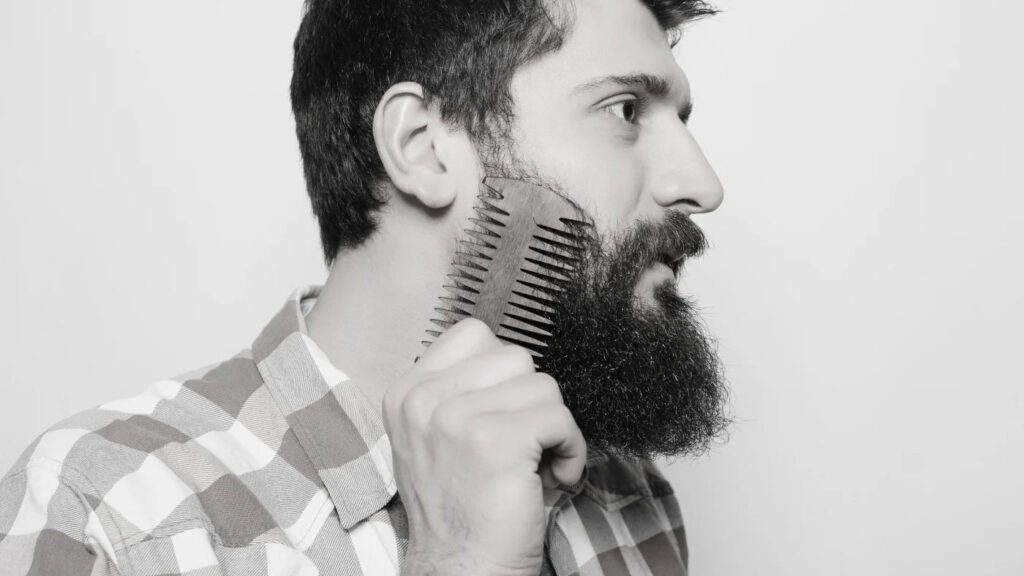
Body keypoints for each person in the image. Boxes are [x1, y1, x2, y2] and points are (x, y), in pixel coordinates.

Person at [0, 0, 730, 574]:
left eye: (682, 119)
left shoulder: (631, 495)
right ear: (421, 147)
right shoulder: (111, 512)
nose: (702, 184)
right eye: (627, 110)